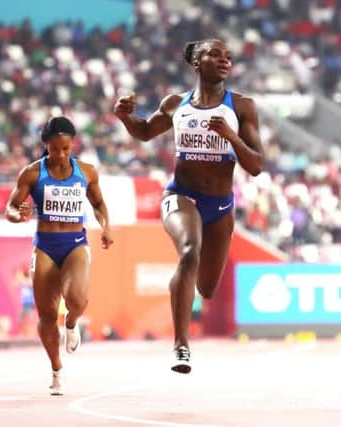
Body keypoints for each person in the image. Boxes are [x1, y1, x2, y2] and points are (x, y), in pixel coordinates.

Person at [114, 38, 263, 374]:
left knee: (206, 287)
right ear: (197, 63)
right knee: (189, 251)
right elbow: (144, 132)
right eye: (215, 54)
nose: (224, 60)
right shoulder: (175, 104)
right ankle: (181, 345)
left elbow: (255, 166)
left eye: (228, 56)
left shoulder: (241, 107)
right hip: (181, 195)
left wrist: (231, 136)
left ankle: (183, 287)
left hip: (221, 206)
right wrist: (126, 118)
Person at [5, 116, 113, 395]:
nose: (61, 155)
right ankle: (57, 370)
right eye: (55, 150)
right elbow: (11, 207)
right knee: (47, 314)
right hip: (45, 246)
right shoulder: (32, 173)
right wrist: (19, 216)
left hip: (75, 241)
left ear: (73, 145)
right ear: (46, 146)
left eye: (66, 149)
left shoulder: (87, 172)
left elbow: (99, 204)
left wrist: (106, 226)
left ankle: (72, 322)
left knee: (77, 299)